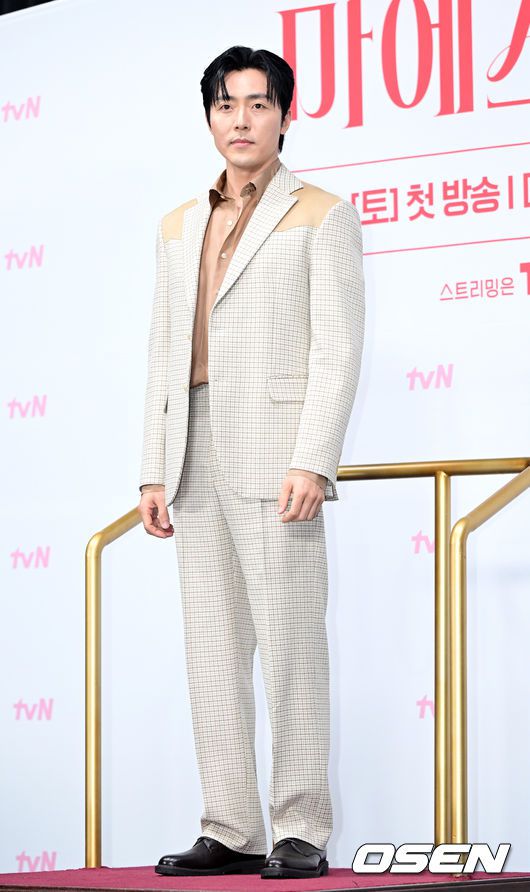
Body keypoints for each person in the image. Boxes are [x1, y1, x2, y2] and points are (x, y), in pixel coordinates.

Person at [137, 44, 365, 880]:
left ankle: (301, 826)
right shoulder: (176, 226)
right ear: (210, 117)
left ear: (284, 115)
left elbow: (338, 350)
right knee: (212, 653)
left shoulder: (322, 214)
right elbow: (163, 351)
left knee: (292, 647)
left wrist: (314, 458)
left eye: (259, 103)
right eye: (227, 104)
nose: (242, 119)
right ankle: (231, 827)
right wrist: (153, 467)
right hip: (191, 451)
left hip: (279, 458)